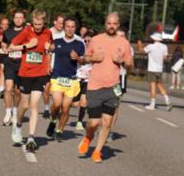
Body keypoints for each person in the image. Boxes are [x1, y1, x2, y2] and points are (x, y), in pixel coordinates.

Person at [78, 12, 133, 163]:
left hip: (112, 87)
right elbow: (84, 59)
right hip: (95, 86)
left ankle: (97, 151)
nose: (111, 26)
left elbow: (131, 66)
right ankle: (88, 137)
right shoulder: (96, 40)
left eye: (114, 24)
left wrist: (122, 61)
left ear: (118, 25)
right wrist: (93, 58)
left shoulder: (124, 43)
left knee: (107, 122)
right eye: (109, 23)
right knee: (93, 123)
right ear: (105, 24)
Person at [8, 9, 54, 152]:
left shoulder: (48, 33)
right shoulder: (26, 31)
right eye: (35, 24)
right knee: (25, 105)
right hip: (25, 73)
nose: (37, 27)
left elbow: (51, 47)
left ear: (44, 22)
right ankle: (18, 124)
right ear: (32, 21)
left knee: (34, 105)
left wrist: (50, 48)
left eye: (40, 24)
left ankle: (31, 137)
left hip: (40, 74)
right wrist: (27, 46)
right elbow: (11, 47)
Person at [47, 15, 86, 141]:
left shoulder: (79, 44)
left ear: (75, 28)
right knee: (57, 104)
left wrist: (78, 58)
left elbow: (83, 61)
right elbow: (49, 53)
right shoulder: (57, 41)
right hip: (57, 77)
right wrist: (48, 65)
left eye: (72, 27)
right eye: (67, 26)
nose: (69, 29)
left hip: (71, 80)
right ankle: (53, 120)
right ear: (63, 27)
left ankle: (59, 130)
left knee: (65, 108)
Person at [1, 10, 26, 125]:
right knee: (8, 88)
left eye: (20, 17)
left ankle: (15, 111)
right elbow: (3, 43)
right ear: (13, 19)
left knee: (17, 91)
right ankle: (7, 113)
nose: (18, 19)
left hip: (22, 64)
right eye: (16, 17)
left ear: (24, 19)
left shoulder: (27, 32)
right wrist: (5, 48)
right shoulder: (8, 31)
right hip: (9, 62)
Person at [137, 32, 171, 110]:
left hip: (152, 69)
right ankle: (167, 101)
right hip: (159, 69)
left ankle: (152, 105)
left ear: (154, 39)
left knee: (152, 86)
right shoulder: (164, 47)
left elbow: (141, 51)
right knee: (159, 85)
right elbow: (165, 57)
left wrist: (139, 44)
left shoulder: (150, 46)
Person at [74, 31, 93, 131]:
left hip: (87, 80)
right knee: (74, 104)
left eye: (89, 41)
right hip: (77, 78)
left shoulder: (95, 51)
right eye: (85, 41)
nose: (87, 42)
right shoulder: (79, 49)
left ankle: (79, 122)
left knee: (83, 101)